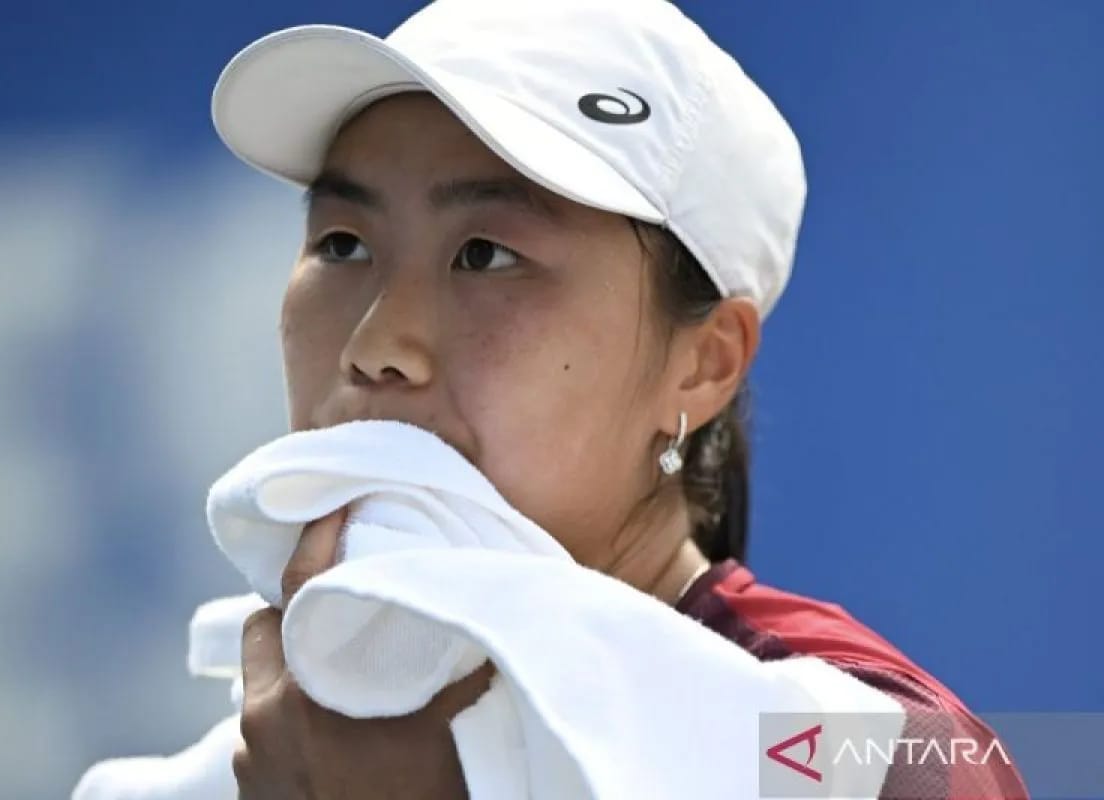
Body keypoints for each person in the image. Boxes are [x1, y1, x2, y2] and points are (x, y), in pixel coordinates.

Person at [211, 0, 1030, 797]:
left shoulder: (887, 757)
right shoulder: (253, 754)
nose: (376, 347)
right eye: (342, 244)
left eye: (486, 255)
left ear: (704, 365)